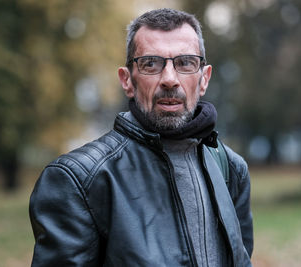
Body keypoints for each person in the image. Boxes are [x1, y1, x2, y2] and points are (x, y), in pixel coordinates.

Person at [29, 8, 253, 267]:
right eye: (151, 64)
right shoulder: (80, 180)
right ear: (127, 81)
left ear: (204, 79)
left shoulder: (231, 169)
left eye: (185, 63)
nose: (170, 79)